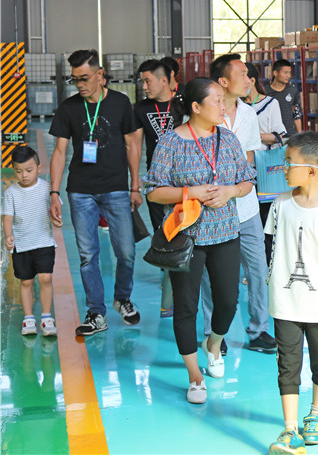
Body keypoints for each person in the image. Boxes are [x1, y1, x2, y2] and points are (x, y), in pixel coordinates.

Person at [144, 78, 256, 404]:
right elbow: (153, 191)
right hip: (186, 238)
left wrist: (230, 191)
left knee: (228, 301)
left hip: (225, 233)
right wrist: (189, 192)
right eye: (217, 101)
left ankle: (213, 344)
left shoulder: (228, 138)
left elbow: (247, 180)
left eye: (223, 100)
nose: (223, 106)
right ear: (196, 107)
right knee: (186, 306)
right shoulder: (171, 142)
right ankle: (195, 376)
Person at [265, 132, 318, 455]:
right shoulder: (280, 204)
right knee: (287, 364)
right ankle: (290, 429)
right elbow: (274, 242)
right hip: (284, 300)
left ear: (313, 170)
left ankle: (315, 414)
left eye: (289, 163)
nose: (284, 168)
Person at [49, 49, 143, 337]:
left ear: (100, 75)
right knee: (88, 255)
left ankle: (122, 298)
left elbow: (131, 144)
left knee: (126, 252)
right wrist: (54, 193)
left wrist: (135, 185)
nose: (79, 84)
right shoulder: (68, 108)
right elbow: (59, 151)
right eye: (75, 79)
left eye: (85, 78)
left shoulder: (120, 103)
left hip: (116, 187)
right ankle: (96, 313)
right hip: (81, 191)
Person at [201, 54, 276, 354]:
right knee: (212, 275)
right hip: (212, 209)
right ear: (223, 81)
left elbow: (250, 157)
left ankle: (259, 330)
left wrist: (235, 185)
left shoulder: (248, 114)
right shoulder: (204, 113)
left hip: (245, 207)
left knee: (258, 270)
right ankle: (213, 335)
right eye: (243, 74)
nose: (249, 79)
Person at [134, 58, 183, 317]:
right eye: (142, 81)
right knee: (162, 232)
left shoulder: (183, 104)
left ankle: (183, 279)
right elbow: (134, 145)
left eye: (147, 81)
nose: (144, 86)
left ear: (164, 80)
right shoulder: (141, 109)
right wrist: (134, 181)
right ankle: (169, 284)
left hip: (184, 180)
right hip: (157, 181)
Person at [3, 145, 62, 337]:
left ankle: (46, 317)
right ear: (13, 170)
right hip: (21, 245)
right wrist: (8, 235)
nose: (24, 175)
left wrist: (56, 220)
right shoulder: (11, 192)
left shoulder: (47, 189)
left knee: (45, 278)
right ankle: (28, 318)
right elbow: (7, 217)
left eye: (29, 170)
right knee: (26, 282)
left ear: (39, 167)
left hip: (44, 242)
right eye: (19, 171)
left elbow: (54, 211)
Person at [245, 61, 288, 266]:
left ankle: (269, 263)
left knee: (267, 216)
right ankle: (254, 264)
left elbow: (279, 136)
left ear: (252, 80)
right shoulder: (234, 106)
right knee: (248, 217)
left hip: (265, 168)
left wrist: (254, 136)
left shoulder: (271, 104)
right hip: (243, 168)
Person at [267, 59, 303, 137]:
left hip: (289, 135)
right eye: (285, 73)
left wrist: (300, 136)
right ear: (275, 73)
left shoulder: (292, 90)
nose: (288, 76)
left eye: (289, 72)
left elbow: (296, 114)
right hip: (271, 137)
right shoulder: (265, 92)